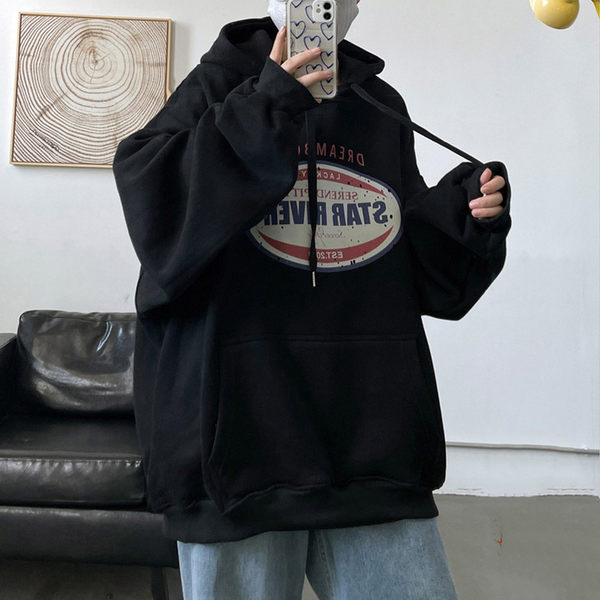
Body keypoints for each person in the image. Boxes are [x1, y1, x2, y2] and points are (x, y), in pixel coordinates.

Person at [112, 1, 512, 598]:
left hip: (368, 440)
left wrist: (464, 219)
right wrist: (267, 104)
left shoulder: (379, 106)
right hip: (237, 449)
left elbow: (408, 269)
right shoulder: (218, 86)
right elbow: (157, 214)